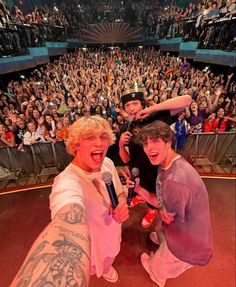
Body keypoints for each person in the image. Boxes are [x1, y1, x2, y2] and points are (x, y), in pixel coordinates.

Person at [10, 115, 129, 286]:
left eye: (103, 136)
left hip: (113, 235)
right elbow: (65, 223)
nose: (99, 143)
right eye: (89, 137)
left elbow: (119, 192)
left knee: (110, 256)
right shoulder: (67, 182)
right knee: (93, 268)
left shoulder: (107, 163)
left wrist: (122, 202)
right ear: (75, 145)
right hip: (89, 250)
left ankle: (106, 268)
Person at [128, 120, 212, 287]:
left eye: (155, 141)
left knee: (164, 262)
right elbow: (161, 201)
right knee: (160, 228)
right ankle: (162, 241)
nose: (149, 148)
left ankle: (156, 274)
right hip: (181, 227)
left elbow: (166, 215)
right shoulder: (168, 164)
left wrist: (160, 210)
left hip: (188, 240)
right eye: (146, 143)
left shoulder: (175, 180)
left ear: (168, 142)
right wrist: (138, 189)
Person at [119, 87, 192, 228]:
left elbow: (186, 100)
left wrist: (153, 109)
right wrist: (121, 145)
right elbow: (126, 159)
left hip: (156, 171)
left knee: (156, 196)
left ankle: (152, 211)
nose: (131, 108)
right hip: (138, 171)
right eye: (127, 105)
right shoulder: (126, 127)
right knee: (142, 189)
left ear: (142, 103)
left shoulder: (155, 117)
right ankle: (141, 196)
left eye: (135, 103)